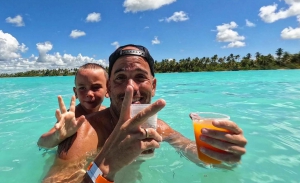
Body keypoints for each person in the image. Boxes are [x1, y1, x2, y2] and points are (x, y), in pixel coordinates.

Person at [43, 44, 247, 183]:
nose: (131, 88)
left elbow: (190, 150)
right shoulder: (85, 133)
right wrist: (105, 165)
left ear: (154, 86)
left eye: (140, 77)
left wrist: (220, 152)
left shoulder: (158, 126)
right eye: (120, 78)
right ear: (109, 89)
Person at [37, 63, 109, 149]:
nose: (89, 94)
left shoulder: (106, 112)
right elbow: (41, 143)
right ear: (76, 92)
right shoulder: (71, 117)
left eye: (95, 87)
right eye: (82, 88)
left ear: (108, 90)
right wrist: (57, 136)